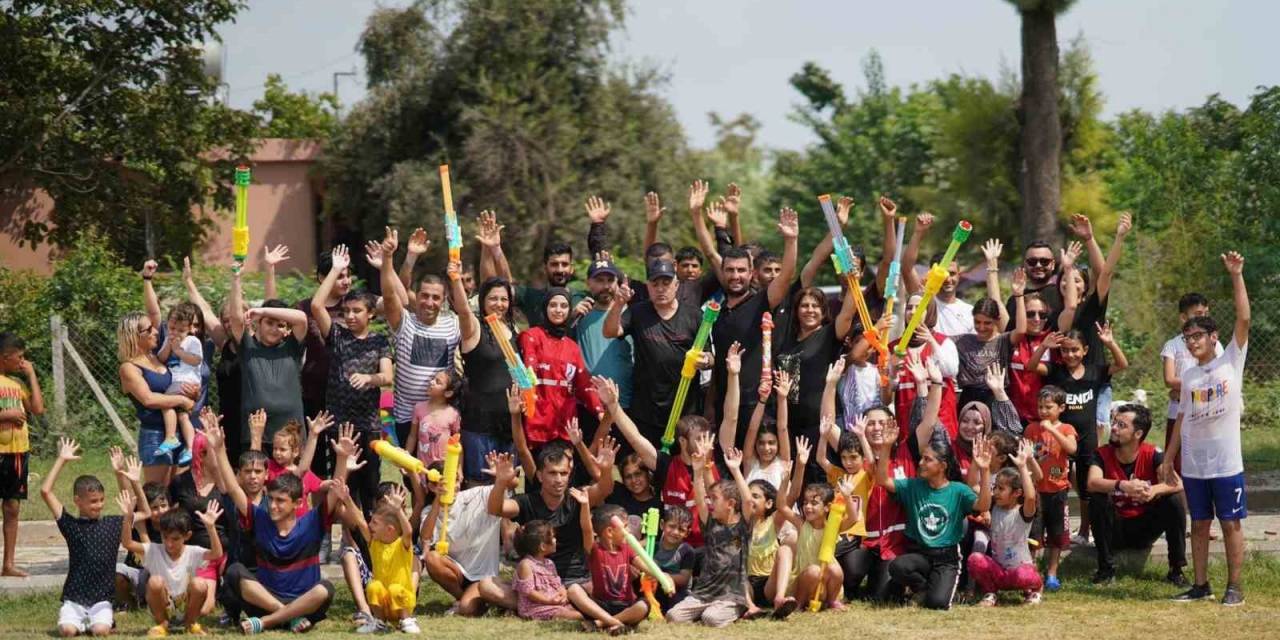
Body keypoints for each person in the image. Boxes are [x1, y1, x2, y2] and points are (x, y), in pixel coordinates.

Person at [1161, 251, 1249, 606]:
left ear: (1214, 336)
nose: (1192, 342)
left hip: (1226, 464)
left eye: (1198, 335)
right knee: (1198, 524)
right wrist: (1168, 458)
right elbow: (1182, 416)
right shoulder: (1189, 376)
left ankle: (1234, 587)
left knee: (1230, 523)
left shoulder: (1231, 360)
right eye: (1187, 338)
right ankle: (1201, 585)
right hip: (1196, 465)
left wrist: (1236, 275)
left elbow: (1244, 318)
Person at [482, 443, 615, 612]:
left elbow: (604, 489)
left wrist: (606, 470)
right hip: (538, 583)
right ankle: (558, 607)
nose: (558, 479)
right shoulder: (527, 501)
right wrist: (501, 482)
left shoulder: (578, 497)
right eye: (552, 473)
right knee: (486, 585)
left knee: (604, 588)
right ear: (540, 476)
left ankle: (542, 607)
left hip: (576, 580)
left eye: (563, 473)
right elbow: (495, 509)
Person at [876, 423, 993, 610]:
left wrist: (985, 470)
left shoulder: (958, 491)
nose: (921, 463)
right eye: (922, 458)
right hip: (920, 554)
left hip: (946, 558)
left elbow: (984, 505)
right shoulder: (913, 486)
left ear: (942, 466)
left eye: (927, 460)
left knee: (937, 604)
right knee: (897, 567)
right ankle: (922, 588)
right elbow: (882, 479)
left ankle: (940, 589)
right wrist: (886, 446)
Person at [602, 258, 712, 445]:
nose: (660, 289)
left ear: (676, 285)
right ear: (648, 286)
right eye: (655, 284)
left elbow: (710, 355)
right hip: (646, 411)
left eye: (666, 283)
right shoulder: (638, 312)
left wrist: (706, 360)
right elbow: (610, 332)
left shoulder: (694, 315)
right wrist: (619, 304)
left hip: (684, 409)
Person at [311, 245, 393, 487]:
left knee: (370, 487)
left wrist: (369, 378)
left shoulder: (379, 341)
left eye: (357, 311)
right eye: (346, 311)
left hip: (368, 426)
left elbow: (387, 377)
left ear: (371, 314)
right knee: (342, 486)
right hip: (339, 426)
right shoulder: (337, 335)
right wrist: (335, 270)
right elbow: (316, 306)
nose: (350, 316)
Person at [379, 229, 461, 465]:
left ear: (443, 300)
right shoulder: (404, 322)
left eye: (436, 297)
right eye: (424, 295)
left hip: (440, 417)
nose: (429, 302)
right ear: (417, 295)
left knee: (442, 477)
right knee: (411, 476)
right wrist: (387, 258)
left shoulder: (453, 324)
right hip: (406, 416)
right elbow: (389, 294)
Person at [42, 438, 137, 637]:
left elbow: (129, 504)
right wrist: (61, 459)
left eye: (101, 500)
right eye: (93, 501)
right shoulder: (70, 525)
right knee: (67, 631)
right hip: (74, 599)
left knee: (100, 631)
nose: (99, 505)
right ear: (78, 501)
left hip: (102, 600)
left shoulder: (113, 524)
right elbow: (45, 491)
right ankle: (79, 622)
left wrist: (119, 473)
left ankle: (101, 622)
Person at [1087, 404, 1187, 586]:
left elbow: (1177, 483)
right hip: (1114, 529)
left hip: (1144, 529)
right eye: (1114, 422)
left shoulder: (1152, 453)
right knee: (1097, 498)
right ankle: (1105, 570)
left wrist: (1153, 491)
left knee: (1174, 499)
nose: (1114, 428)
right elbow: (1092, 482)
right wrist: (1122, 485)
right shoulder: (1101, 454)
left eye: (1121, 425)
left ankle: (1176, 570)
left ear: (1138, 434)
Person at [665, 432, 751, 627]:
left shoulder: (743, 526)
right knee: (673, 616)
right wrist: (697, 471)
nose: (710, 503)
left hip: (731, 596)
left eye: (715, 499)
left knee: (711, 619)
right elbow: (699, 498)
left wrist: (735, 470)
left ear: (730, 504)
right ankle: (705, 611)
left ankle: (735, 610)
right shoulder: (711, 523)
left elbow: (747, 501)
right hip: (703, 593)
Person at [457, 217, 516, 482]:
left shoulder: (512, 329)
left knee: (507, 488)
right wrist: (455, 279)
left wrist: (495, 249)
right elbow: (463, 307)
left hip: (509, 425)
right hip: (479, 427)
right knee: (479, 490)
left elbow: (504, 282)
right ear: (482, 302)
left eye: (504, 300)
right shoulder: (475, 327)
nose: (499, 303)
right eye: (493, 299)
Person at [772, 442, 860, 613]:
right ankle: (798, 604)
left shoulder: (832, 526)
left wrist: (847, 497)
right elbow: (781, 506)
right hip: (805, 582)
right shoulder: (801, 523)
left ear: (827, 507)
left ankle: (833, 601)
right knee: (813, 570)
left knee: (835, 569)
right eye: (805, 503)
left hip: (824, 585)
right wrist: (785, 481)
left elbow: (854, 518)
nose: (808, 507)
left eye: (814, 503)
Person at [119, 494, 223, 637]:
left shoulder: (193, 552)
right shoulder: (154, 550)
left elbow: (217, 554)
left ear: (187, 536)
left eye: (175, 539)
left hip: (186, 606)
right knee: (155, 582)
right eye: (165, 537)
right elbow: (127, 543)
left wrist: (211, 527)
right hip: (163, 605)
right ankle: (162, 624)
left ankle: (190, 623)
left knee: (200, 584)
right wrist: (128, 517)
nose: (169, 544)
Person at [227, 266, 309, 447]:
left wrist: (264, 312)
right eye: (269, 323)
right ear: (258, 325)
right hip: (257, 435)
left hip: (291, 434)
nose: (274, 329)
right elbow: (236, 319)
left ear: (287, 330)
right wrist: (236, 278)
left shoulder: (292, 347)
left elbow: (302, 318)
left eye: (280, 325)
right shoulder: (248, 347)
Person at [518, 287, 605, 447]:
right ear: (545, 308)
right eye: (553, 305)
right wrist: (527, 392)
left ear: (569, 310)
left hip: (566, 424)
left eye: (564, 306)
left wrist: (599, 411)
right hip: (538, 422)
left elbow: (583, 384)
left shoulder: (572, 347)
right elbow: (529, 368)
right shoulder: (531, 336)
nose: (558, 310)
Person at [330, 482, 420, 633]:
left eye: (375, 523)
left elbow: (409, 532)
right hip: (383, 604)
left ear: (389, 529)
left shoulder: (402, 545)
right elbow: (360, 521)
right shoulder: (374, 543)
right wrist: (347, 499)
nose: (370, 525)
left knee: (395, 589)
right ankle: (379, 622)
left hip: (402, 601)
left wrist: (398, 511)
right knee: (373, 587)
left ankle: (406, 620)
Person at [118, 312, 196, 486]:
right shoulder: (128, 368)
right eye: (149, 329)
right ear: (134, 335)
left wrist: (192, 392)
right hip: (155, 435)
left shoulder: (156, 358)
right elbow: (148, 399)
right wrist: (182, 401)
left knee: (180, 491)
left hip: (179, 432)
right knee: (158, 494)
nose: (155, 332)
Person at [421, 455, 504, 617]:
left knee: (467, 610)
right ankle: (463, 597)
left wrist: (500, 479)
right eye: (447, 483)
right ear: (432, 487)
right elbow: (426, 536)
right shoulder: (429, 511)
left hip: (483, 576)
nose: (454, 486)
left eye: (456, 480)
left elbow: (508, 486)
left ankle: (475, 600)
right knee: (432, 558)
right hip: (458, 573)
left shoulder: (478, 494)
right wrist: (438, 501)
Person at [967, 441, 1043, 606]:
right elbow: (973, 486)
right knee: (975, 559)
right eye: (995, 487)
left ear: (1017, 493)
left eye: (1001, 489)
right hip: (999, 572)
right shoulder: (993, 506)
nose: (996, 492)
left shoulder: (1023, 512)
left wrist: (1022, 466)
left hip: (1019, 571)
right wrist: (983, 468)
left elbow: (1030, 497)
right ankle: (991, 593)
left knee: (1024, 575)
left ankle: (1035, 589)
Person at [508, 520, 620, 630]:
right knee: (575, 614)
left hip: (556, 603)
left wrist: (563, 593)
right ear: (543, 546)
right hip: (536, 607)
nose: (555, 540)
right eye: (553, 537)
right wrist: (548, 601)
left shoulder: (549, 563)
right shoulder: (526, 565)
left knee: (582, 608)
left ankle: (604, 618)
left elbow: (558, 583)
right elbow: (529, 592)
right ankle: (606, 620)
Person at [952, 241, 1025, 408]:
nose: (981, 327)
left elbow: (1021, 330)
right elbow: (936, 338)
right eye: (977, 322)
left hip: (995, 397)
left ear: (996, 321)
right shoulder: (962, 341)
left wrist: (1019, 296)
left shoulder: (1003, 341)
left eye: (987, 323)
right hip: (968, 398)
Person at [571, 493, 653, 630]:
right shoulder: (595, 550)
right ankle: (616, 623)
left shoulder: (627, 549)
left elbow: (644, 566)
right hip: (600, 606)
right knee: (573, 590)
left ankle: (601, 623)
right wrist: (585, 505)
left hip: (626, 605)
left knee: (643, 606)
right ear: (610, 532)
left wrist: (660, 576)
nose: (629, 531)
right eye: (625, 527)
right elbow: (587, 530)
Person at [1159, 292, 1222, 471]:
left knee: (1207, 462)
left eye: (1206, 313)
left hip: (1207, 411)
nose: (1204, 317)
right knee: (1178, 464)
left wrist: (1186, 389)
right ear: (1183, 317)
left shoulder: (1215, 344)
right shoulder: (1172, 345)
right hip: (1178, 410)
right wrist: (1198, 385)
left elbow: (1218, 377)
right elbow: (1169, 379)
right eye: (1199, 314)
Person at [1023, 385, 1077, 591]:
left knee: (1056, 534)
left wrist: (1052, 429)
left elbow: (1072, 448)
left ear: (1061, 408)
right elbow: (1027, 455)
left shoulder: (1066, 429)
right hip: (1036, 491)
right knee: (1034, 533)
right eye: (1040, 407)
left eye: (1048, 407)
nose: (1043, 411)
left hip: (1058, 490)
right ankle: (1032, 570)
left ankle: (1052, 573)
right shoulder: (1031, 429)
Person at [0, 332, 43, 577]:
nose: (22, 361)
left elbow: (37, 408)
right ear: (5, 357)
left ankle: (8, 564)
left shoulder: (17, 384)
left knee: (12, 507)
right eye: (19, 357)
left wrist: (31, 375)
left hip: (16, 453)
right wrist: (5, 415)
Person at [900, 213, 974, 337]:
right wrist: (918, 233)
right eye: (943, 274)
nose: (948, 279)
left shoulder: (969, 311)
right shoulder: (925, 300)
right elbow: (907, 268)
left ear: (959, 275)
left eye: (952, 274)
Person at [407, 370, 463, 469]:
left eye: (438, 382)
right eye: (433, 379)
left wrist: (459, 469)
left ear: (448, 393)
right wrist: (406, 456)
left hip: (444, 468)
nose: (431, 382)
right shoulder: (419, 408)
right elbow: (412, 436)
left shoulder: (453, 414)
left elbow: (457, 443)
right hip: (422, 468)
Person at [1006, 240, 1063, 322]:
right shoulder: (1015, 299)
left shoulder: (1062, 294)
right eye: (1032, 262)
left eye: (1044, 261)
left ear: (1053, 264)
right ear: (1025, 264)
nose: (1038, 265)